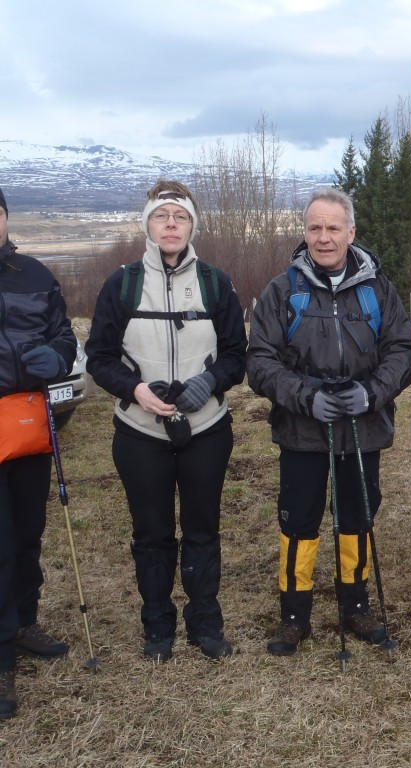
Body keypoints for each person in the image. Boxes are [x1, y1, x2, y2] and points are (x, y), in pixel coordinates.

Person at [248, 188, 411, 657]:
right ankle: (294, 615)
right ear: (304, 233)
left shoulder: (378, 288)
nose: (324, 238)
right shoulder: (283, 290)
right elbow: (259, 361)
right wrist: (306, 396)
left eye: (333, 228)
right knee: (298, 520)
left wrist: (372, 392)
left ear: (351, 232)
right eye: (315, 228)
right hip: (303, 429)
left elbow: (403, 351)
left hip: (362, 428)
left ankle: (355, 604)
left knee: (357, 517)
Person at [86, 180, 246, 662]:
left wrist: (210, 382)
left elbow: (238, 355)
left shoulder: (217, 283)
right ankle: (158, 626)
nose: (171, 224)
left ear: (193, 225)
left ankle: (204, 621)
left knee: (202, 528)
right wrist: (134, 389)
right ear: (148, 226)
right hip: (140, 433)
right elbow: (99, 357)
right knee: (151, 533)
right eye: (162, 216)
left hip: (205, 430)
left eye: (180, 216)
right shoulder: (122, 283)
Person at [0, 186, 77, 719]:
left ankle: (23, 621)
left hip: (25, 423)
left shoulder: (35, 275)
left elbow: (66, 338)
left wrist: (56, 355)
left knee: (28, 530)